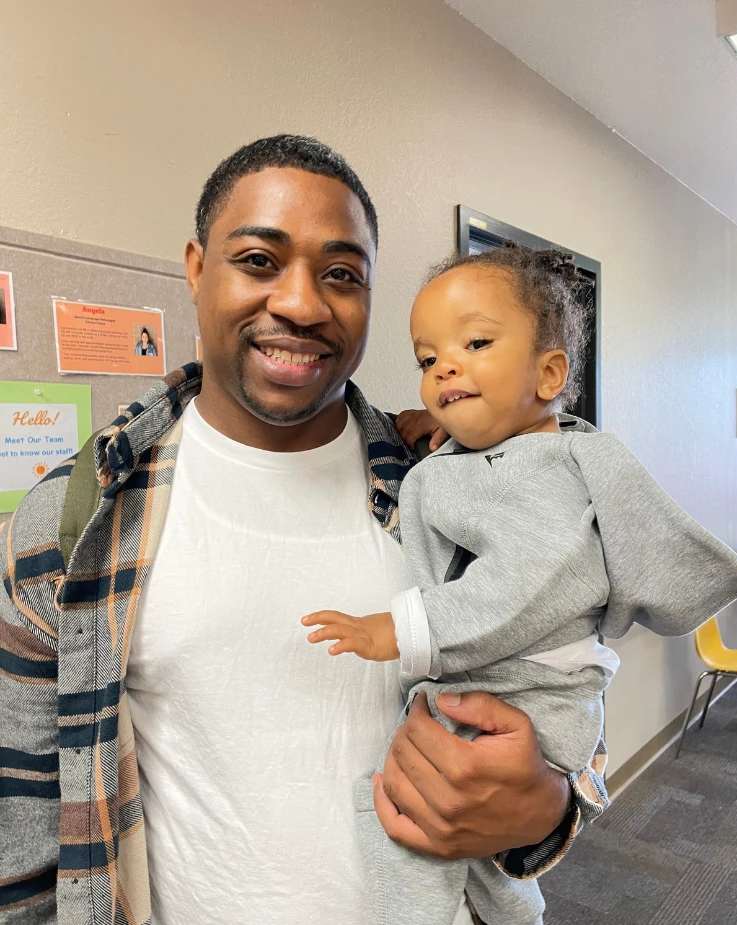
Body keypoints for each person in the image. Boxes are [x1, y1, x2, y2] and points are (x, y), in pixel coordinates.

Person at [1, 136, 608, 925]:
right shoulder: (74, 523)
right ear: (196, 267)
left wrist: (549, 806)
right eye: (259, 260)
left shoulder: (455, 494)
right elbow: (26, 826)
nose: (300, 303)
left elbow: (570, 693)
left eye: (342, 274)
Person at [302, 243, 737, 925]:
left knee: (399, 822)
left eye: (476, 342)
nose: (444, 365)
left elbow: (525, 581)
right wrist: (436, 432)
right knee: (472, 859)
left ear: (548, 374)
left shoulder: (550, 468)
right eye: (428, 359)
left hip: (526, 695)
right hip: (507, 697)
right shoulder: (475, 457)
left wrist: (399, 628)